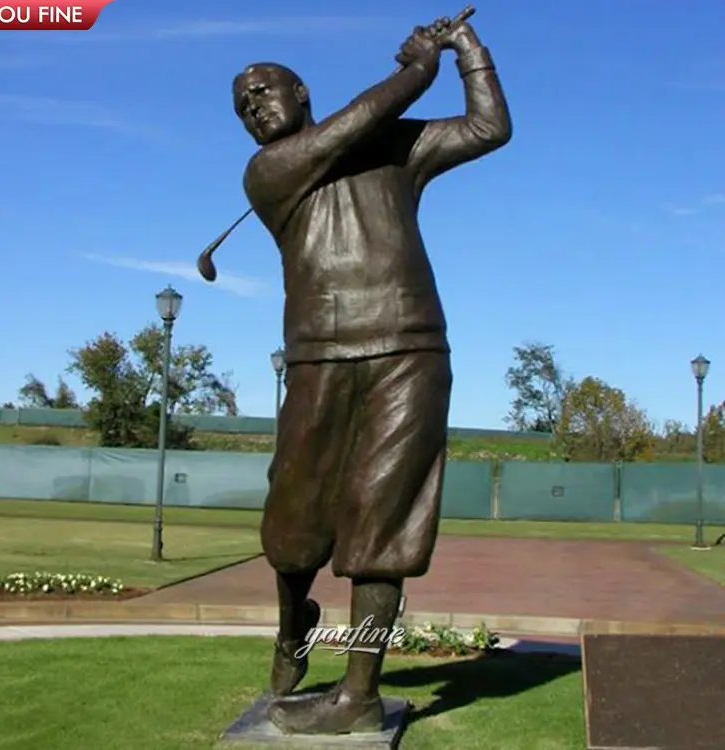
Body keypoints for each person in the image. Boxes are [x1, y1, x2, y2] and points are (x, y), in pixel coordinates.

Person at [232, 14, 511, 735]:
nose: (254, 106)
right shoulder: (269, 171)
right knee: (291, 534)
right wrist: (416, 72)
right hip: (320, 359)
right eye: (242, 106)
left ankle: (357, 694)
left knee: (382, 531)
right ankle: (296, 624)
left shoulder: (392, 147)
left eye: (262, 90)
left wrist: (466, 51)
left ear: (300, 90)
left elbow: (488, 129)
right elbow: (350, 126)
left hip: (411, 353)